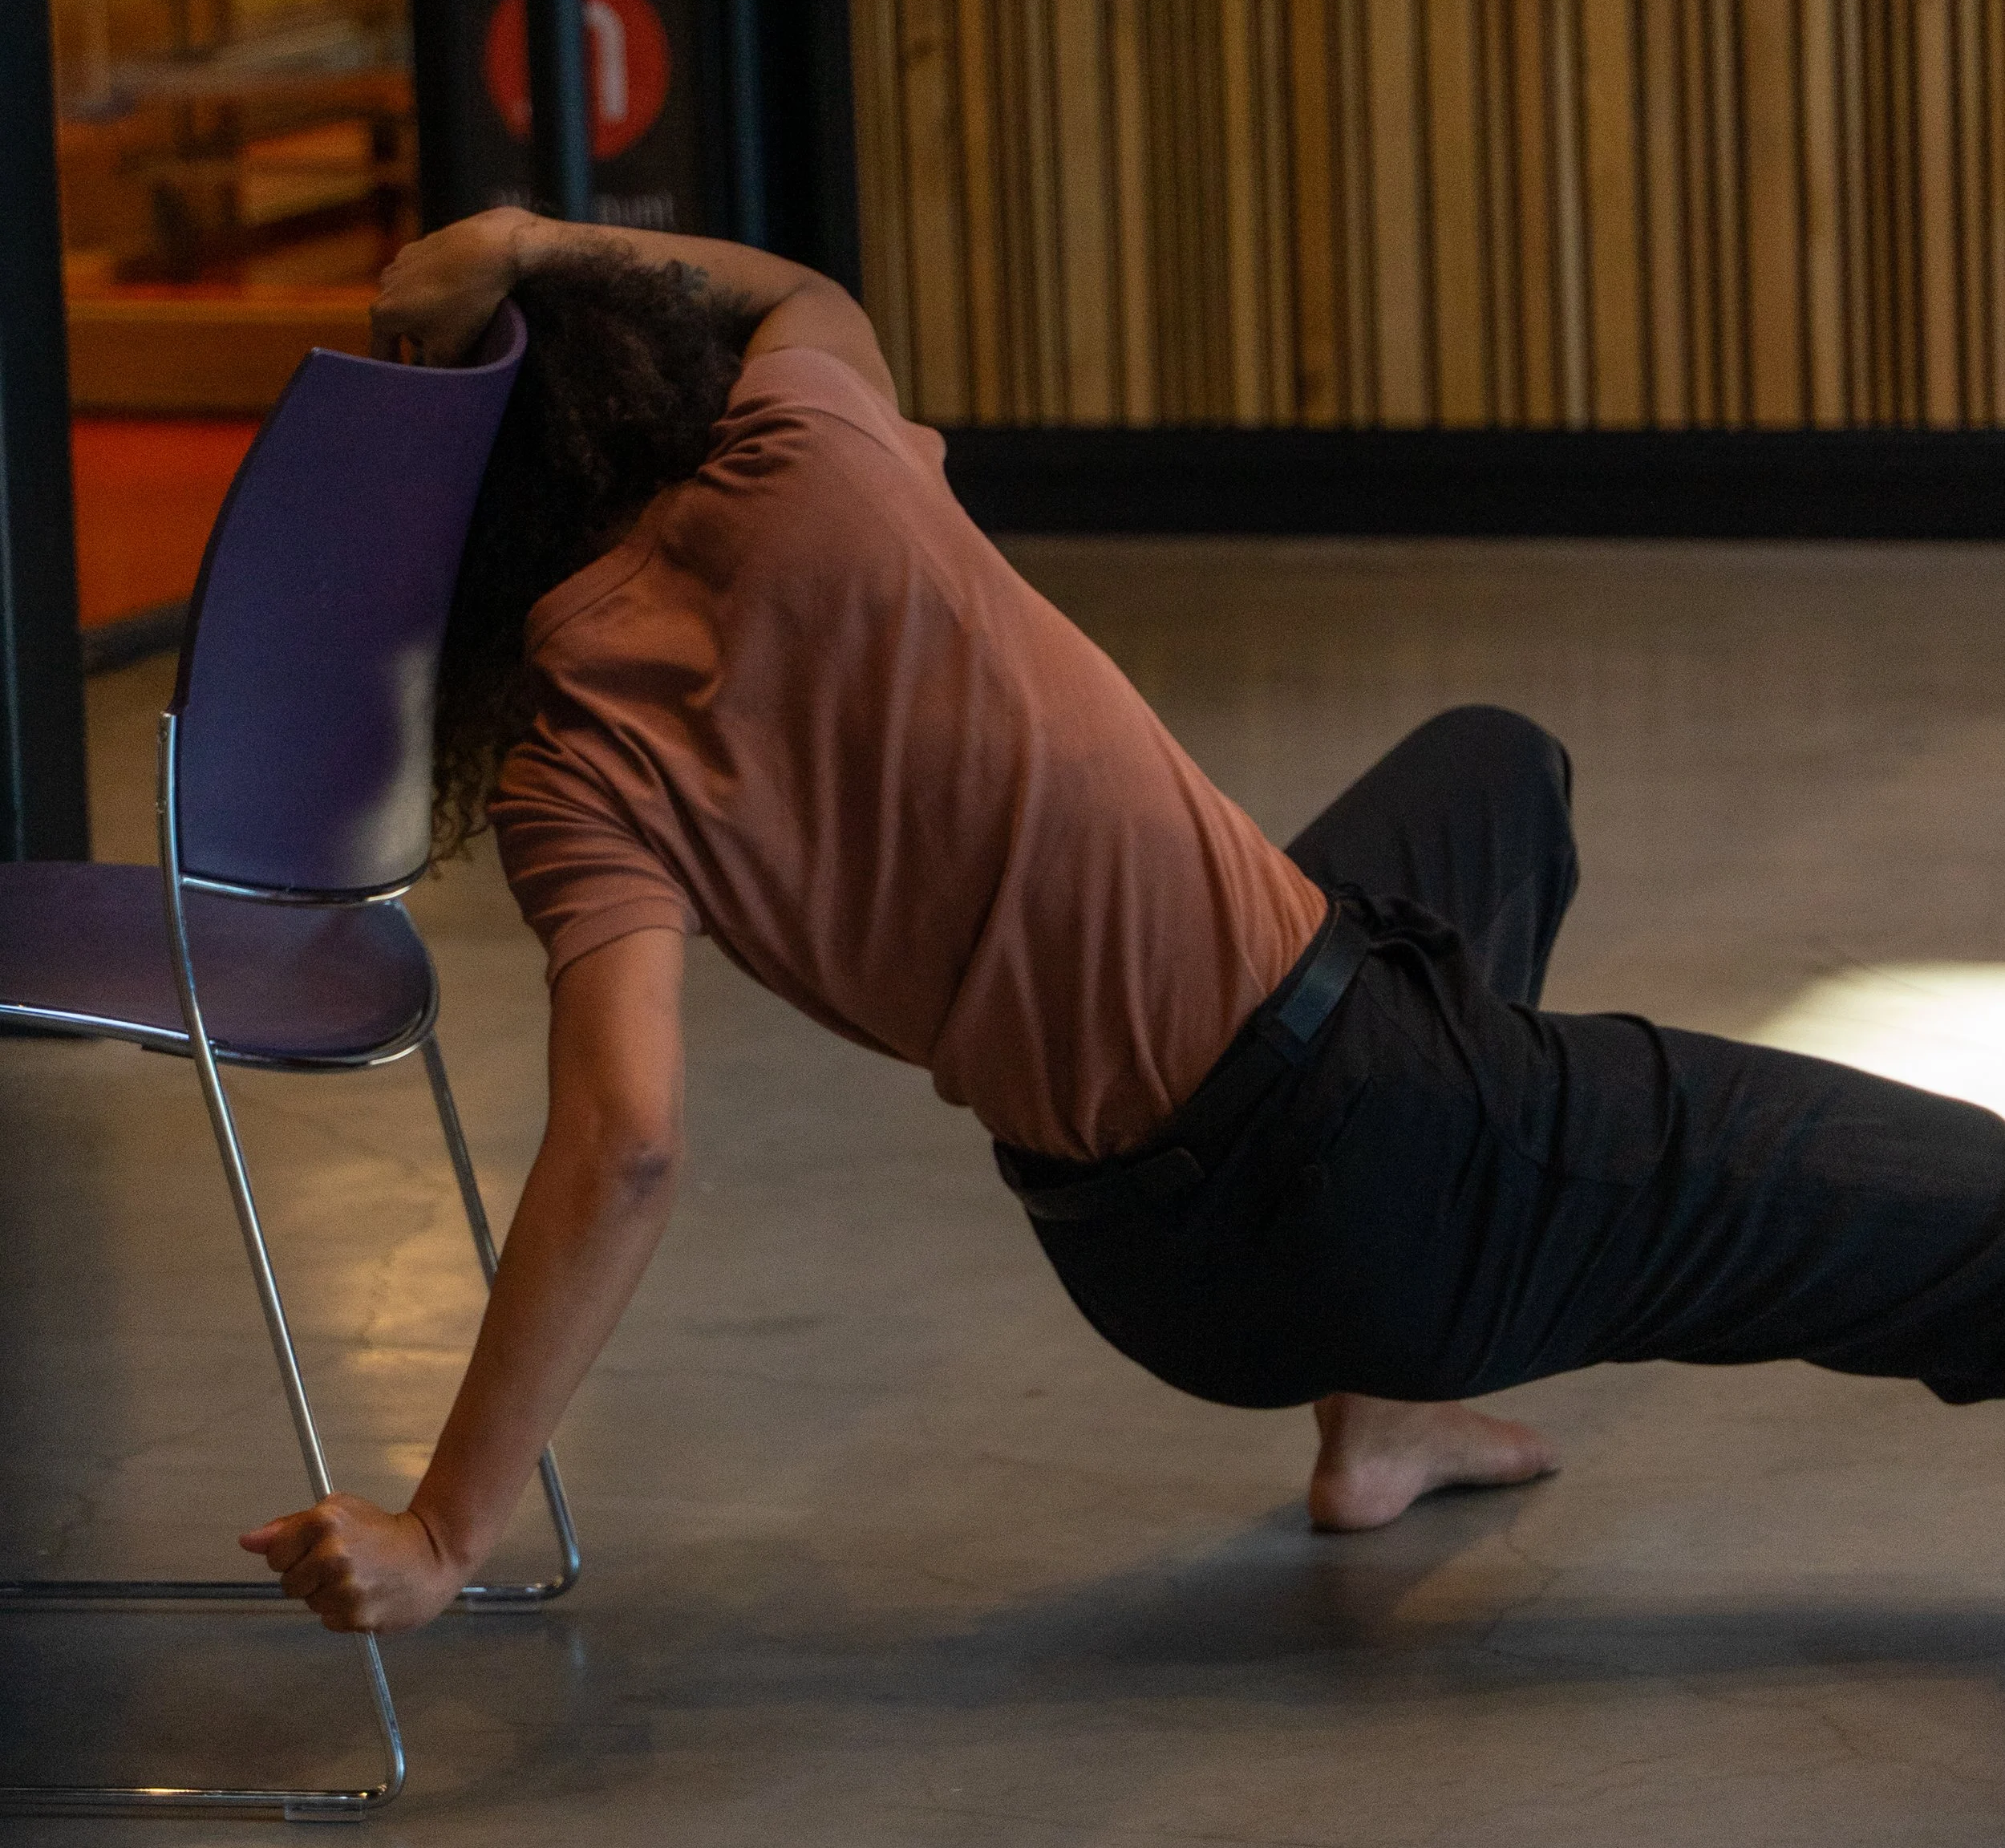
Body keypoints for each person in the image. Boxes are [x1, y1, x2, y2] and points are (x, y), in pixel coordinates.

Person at [245, 215, 2005, 1632]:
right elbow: (797, 290)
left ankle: (1378, 1420)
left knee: (1489, 775)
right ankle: (1404, 1349)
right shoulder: (801, 462)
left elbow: (621, 1124)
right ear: (635, 375)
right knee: (1968, 1224)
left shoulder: (571, 768)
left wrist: (439, 1528)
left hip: (1155, 1273)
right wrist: (542, 240)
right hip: (1397, 1150)